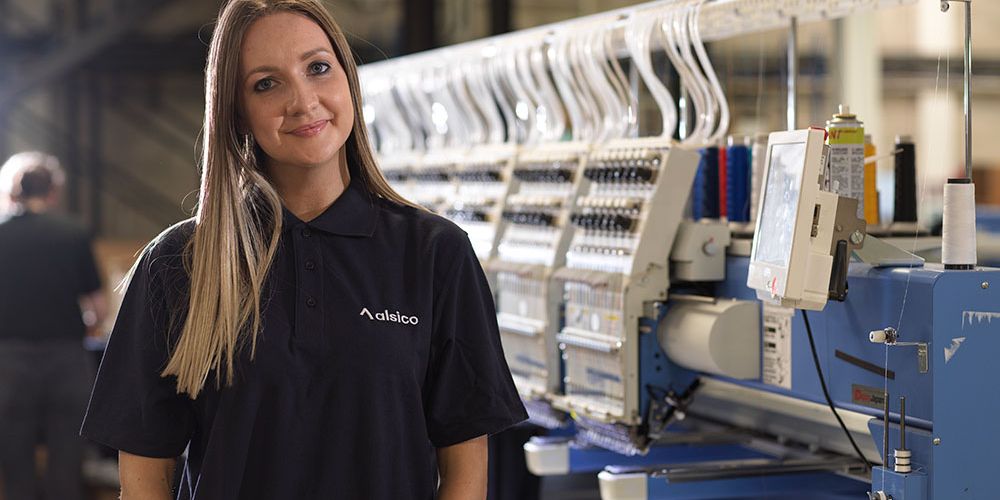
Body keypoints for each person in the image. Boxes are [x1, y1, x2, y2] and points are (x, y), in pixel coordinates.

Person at [80, 1, 527, 499]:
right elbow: (143, 475)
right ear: (237, 113)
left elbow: (466, 471)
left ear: (348, 81)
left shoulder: (435, 253)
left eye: (318, 68)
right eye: (266, 83)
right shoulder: (180, 263)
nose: (303, 100)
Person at [0, 151, 107, 500]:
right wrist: (91, 326)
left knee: (15, 460)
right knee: (67, 458)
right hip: (65, 357)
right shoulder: (73, 233)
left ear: (12, 190)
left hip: (9, 359)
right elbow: (99, 306)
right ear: (53, 191)